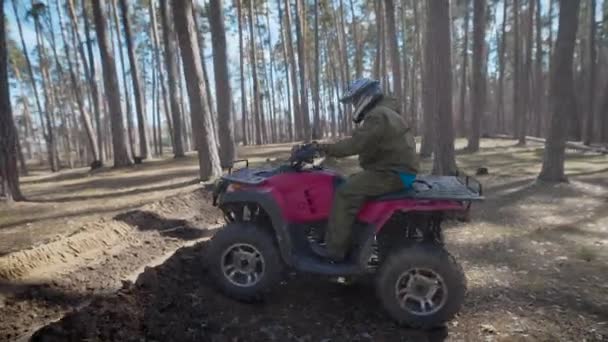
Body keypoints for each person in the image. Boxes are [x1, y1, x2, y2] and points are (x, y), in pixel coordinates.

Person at [311, 78, 419, 261]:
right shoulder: (385, 112)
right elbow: (365, 141)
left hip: (393, 173)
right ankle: (352, 236)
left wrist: (322, 148)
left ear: (365, 97)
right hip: (395, 171)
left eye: (355, 100)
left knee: (345, 192)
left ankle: (334, 250)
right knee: (350, 181)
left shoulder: (378, 115)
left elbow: (355, 144)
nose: (354, 105)